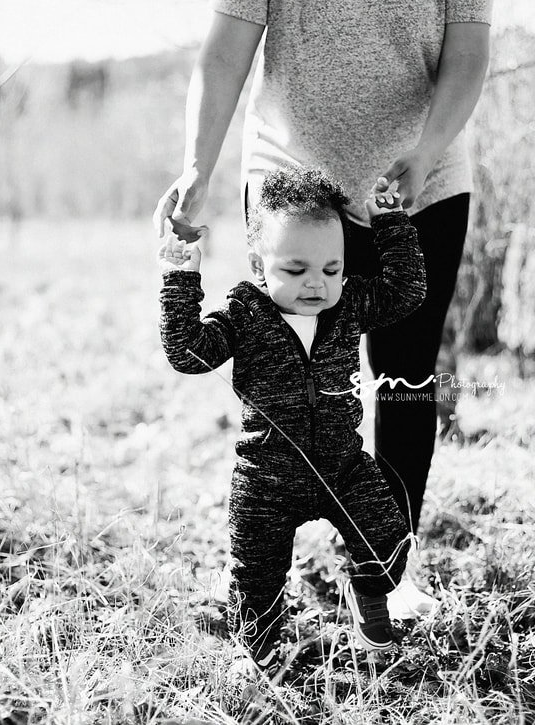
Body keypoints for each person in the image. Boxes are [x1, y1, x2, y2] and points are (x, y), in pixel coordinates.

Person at [152, 0, 492, 618]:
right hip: (293, 181)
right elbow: (226, 49)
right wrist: (197, 168)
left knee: (406, 379)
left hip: (421, 184)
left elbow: (467, 54)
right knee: (280, 376)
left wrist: (425, 151)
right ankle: (255, 571)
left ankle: (384, 575)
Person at [157, 166, 426, 667]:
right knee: (255, 579)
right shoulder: (245, 315)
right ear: (259, 266)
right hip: (266, 480)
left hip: (343, 467)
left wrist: (390, 223)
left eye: (331, 269)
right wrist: (180, 276)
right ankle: (259, 653)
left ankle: (369, 598)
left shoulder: (349, 305)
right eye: (296, 270)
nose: (316, 284)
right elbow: (188, 352)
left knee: (388, 538)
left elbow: (406, 291)